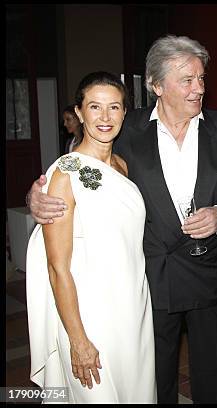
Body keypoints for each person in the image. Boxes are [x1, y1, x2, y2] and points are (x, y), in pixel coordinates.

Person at [26, 35, 217, 404]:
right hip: (149, 282)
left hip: (202, 277)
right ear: (156, 85)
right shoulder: (126, 131)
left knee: (204, 380)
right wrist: (35, 196)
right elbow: (73, 170)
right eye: (187, 80)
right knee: (154, 381)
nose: (198, 88)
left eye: (201, 79)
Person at [26, 71, 156, 403]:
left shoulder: (122, 166)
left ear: (125, 113)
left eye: (114, 107)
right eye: (95, 107)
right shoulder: (66, 173)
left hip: (132, 309)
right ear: (79, 112)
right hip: (89, 314)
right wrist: (78, 340)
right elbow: (57, 268)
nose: (105, 117)